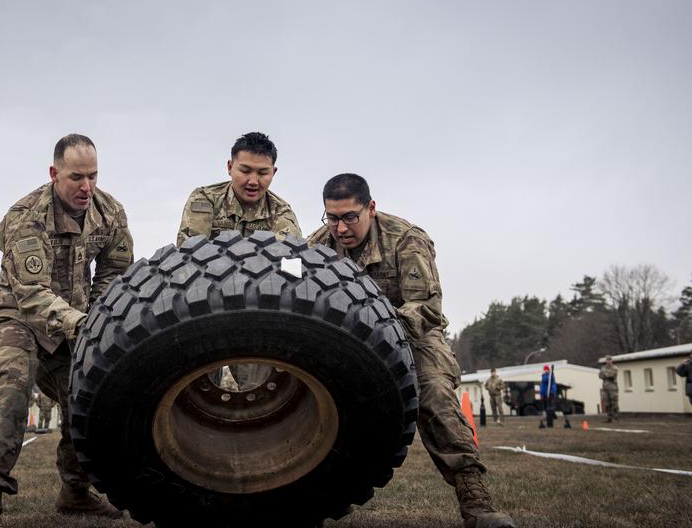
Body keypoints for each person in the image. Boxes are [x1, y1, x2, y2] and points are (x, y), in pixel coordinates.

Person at [307, 173, 514, 528]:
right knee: (307, 398)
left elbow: (426, 307)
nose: (340, 228)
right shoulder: (317, 246)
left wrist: (376, 326)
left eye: (349, 217)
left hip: (412, 335)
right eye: (332, 217)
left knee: (435, 396)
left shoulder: (407, 239)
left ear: (370, 208)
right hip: (344, 339)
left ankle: (476, 501)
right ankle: (304, 501)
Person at [0, 133, 134, 527]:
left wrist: (98, 315)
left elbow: (114, 271)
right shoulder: (27, 217)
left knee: (87, 400)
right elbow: (31, 294)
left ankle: (75, 493)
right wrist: (82, 324)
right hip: (17, 314)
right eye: (77, 177)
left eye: (93, 175)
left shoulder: (109, 212)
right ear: (54, 173)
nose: (86, 187)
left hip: (73, 320)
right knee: (12, 393)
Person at [176, 132, 301, 389]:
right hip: (204, 308)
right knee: (195, 386)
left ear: (274, 172)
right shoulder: (205, 200)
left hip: (253, 313)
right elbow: (191, 256)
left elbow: (289, 266)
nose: (253, 181)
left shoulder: (282, 213)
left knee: (257, 389)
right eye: (245, 170)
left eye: (262, 173)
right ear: (230, 167)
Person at [599, 356, 619, 422]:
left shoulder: (614, 368)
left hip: (613, 387)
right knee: (607, 403)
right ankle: (609, 417)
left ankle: (615, 416)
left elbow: (611, 375)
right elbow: (600, 375)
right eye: (607, 360)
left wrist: (605, 373)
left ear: (611, 361)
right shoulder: (603, 367)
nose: (608, 361)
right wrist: (605, 374)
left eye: (609, 360)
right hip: (605, 387)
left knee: (614, 402)